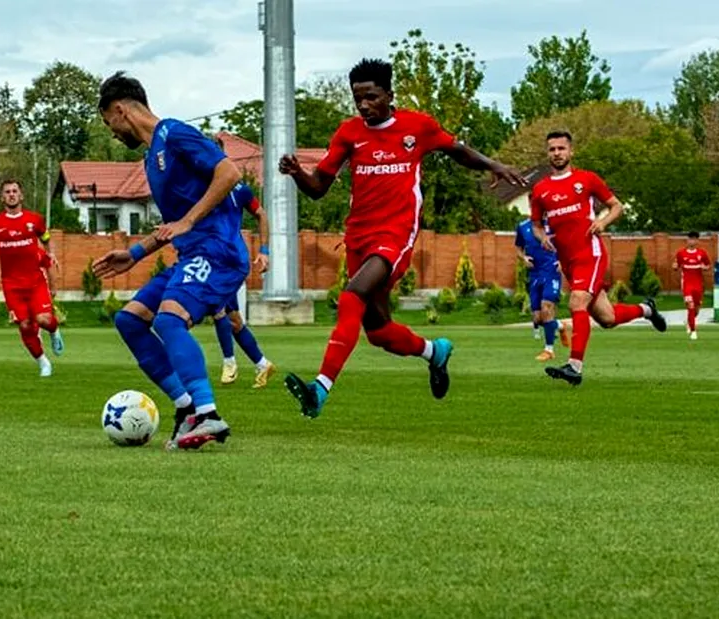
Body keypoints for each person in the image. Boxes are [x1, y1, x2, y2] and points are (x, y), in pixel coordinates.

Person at [278, 58, 525, 418]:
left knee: (353, 295)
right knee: (378, 332)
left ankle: (320, 389)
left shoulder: (416, 126)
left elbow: (457, 150)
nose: (364, 105)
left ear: (389, 94)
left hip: (396, 234)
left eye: (371, 97)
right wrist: (298, 172)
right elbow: (318, 189)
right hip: (358, 236)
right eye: (357, 98)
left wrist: (493, 165)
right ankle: (434, 351)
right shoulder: (349, 133)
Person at [92, 71, 248, 451]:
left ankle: (207, 414)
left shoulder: (174, 133)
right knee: (130, 320)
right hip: (193, 254)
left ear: (119, 111)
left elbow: (229, 172)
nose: (112, 132)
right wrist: (134, 254)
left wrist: (191, 220)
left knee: (168, 318)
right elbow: (172, 227)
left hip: (220, 251)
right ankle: (186, 407)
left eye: (107, 123)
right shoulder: (151, 160)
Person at [529, 130, 667, 386]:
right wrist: (541, 237)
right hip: (568, 260)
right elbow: (536, 224)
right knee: (607, 318)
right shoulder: (540, 190)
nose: (557, 153)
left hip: (589, 253)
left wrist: (602, 222)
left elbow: (617, 206)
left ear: (571, 152)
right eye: (552, 149)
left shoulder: (587, 179)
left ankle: (574, 366)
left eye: (561, 148)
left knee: (577, 302)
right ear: (547, 153)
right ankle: (647, 309)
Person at [0, 179, 64, 376]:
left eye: (15, 191)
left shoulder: (35, 220)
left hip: (35, 282)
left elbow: (46, 237)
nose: (12, 194)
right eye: (7, 192)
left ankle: (54, 331)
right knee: (25, 325)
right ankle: (43, 363)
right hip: (11, 284)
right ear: (2, 197)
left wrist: (51, 253)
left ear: (21, 195)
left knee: (43, 319)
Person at [214, 180, 277, 388]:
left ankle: (229, 362)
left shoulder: (238, 190)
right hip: (211, 259)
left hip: (232, 260)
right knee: (234, 321)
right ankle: (262, 364)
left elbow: (261, 213)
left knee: (217, 307)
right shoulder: (196, 187)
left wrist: (264, 250)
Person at [515, 218, 571, 361]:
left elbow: (568, 242)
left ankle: (549, 350)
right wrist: (523, 258)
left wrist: (563, 260)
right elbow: (518, 248)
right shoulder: (522, 227)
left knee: (547, 308)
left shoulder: (554, 223)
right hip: (534, 274)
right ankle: (560, 325)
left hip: (551, 270)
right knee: (538, 318)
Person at [673, 231, 712, 340]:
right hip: (687, 284)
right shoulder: (681, 253)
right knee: (690, 306)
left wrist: (705, 267)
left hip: (698, 284)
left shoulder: (702, 253)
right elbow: (676, 265)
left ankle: (688, 321)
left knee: (697, 309)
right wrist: (675, 266)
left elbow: (708, 265)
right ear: (687, 240)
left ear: (697, 241)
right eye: (690, 239)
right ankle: (693, 331)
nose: (692, 241)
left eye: (694, 239)